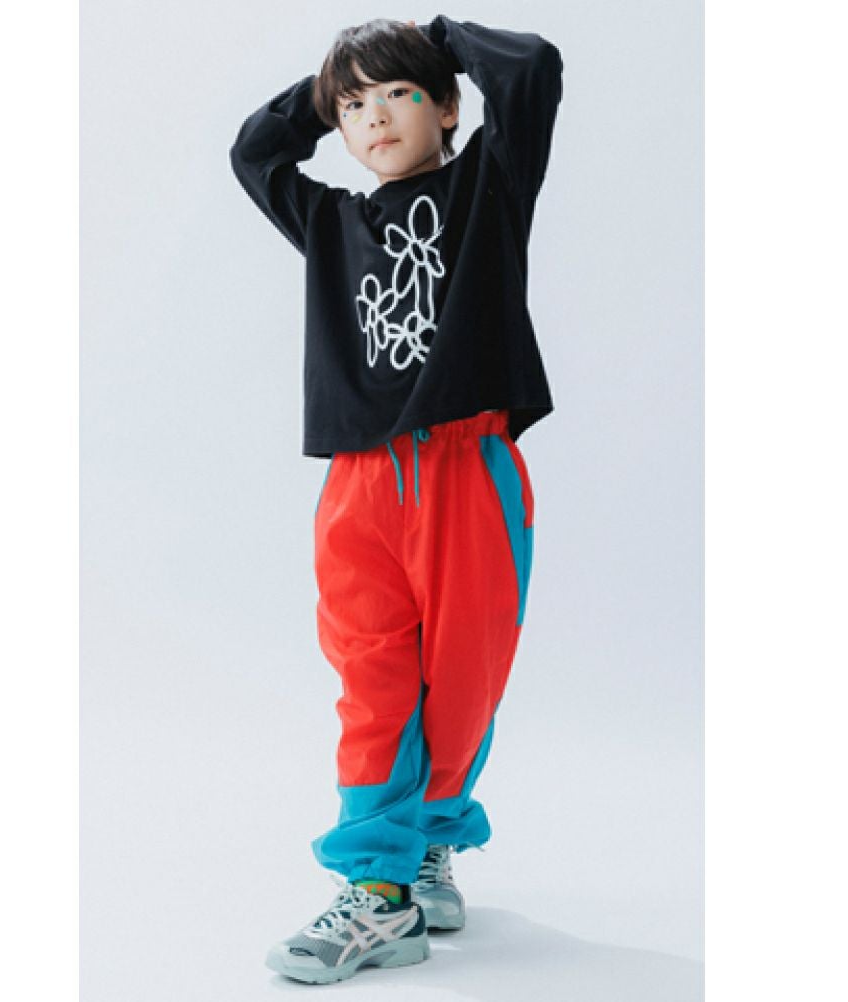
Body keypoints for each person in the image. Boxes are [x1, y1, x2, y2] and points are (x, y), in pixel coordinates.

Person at [230, 15, 563, 984]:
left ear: (448, 107)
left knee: (459, 688)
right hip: (361, 482)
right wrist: (331, 84)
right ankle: (378, 894)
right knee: (372, 681)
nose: (371, 117)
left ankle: (428, 841)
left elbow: (533, 69)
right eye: (352, 106)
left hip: (466, 471)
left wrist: (436, 38)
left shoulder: (489, 188)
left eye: (396, 96)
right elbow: (254, 151)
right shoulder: (329, 221)